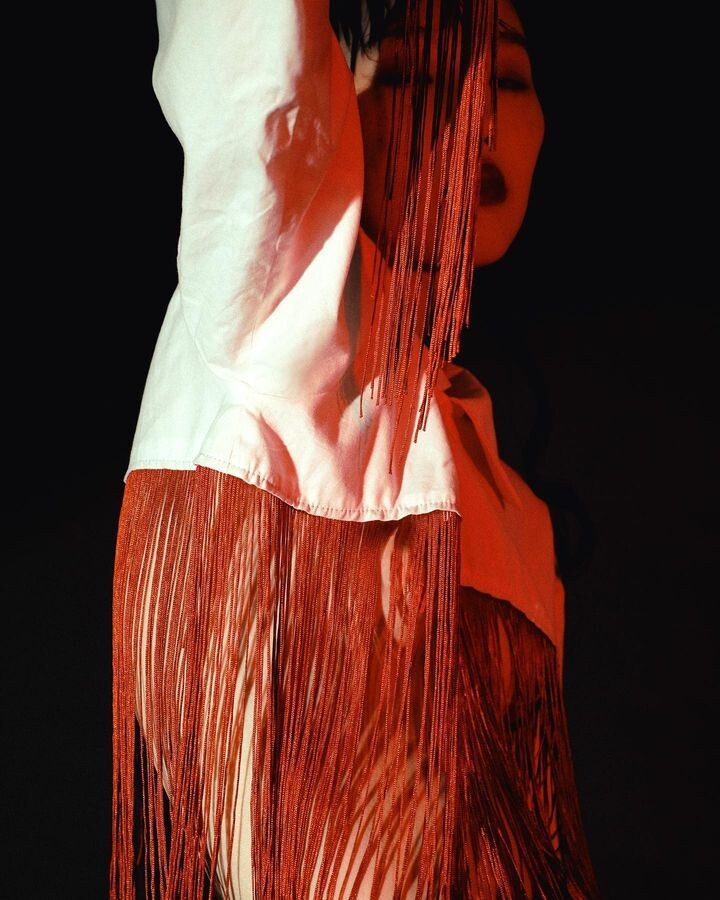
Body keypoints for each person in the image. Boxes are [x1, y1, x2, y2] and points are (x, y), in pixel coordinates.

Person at [110, 0, 599, 897]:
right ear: (329, 102)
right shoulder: (272, 314)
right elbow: (261, 71)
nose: (478, 117)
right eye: (412, 75)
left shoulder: (508, 497)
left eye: (510, 79)